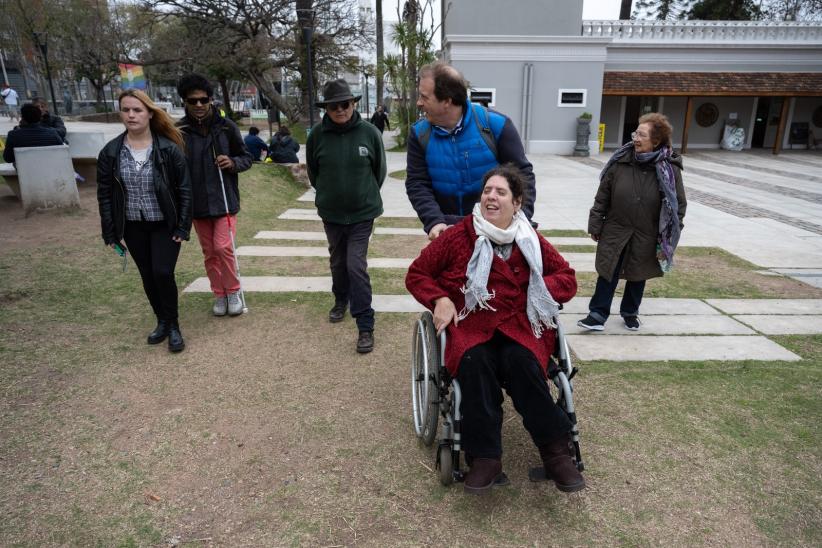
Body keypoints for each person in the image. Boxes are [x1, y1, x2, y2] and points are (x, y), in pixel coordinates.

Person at [405, 165, 584, 494]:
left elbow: (568, 278)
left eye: (500, 192)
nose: (491, 196)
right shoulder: (460, 236)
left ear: (516, 203)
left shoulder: (531, 239)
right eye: (487, 190)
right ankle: (485, 457)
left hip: (520, 325)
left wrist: (538, 290)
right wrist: (440, 299)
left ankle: (557, 452)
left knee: (524, 365)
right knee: (474, 364)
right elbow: (417, 274)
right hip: (473, 325)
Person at [96, 89, 192, 352]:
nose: (131, 115)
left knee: (163, 272)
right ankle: (161, 321)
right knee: (148, 275)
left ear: (150, 113)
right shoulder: (111, 152)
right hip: (133, 225)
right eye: (126, 110)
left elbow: (185, 190)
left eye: (137, 110)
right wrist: (110, 232)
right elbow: (105, 194)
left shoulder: (169, 150)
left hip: (164, 223)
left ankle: (173, 325)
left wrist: (183, 226)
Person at [577, 112, 687, 332]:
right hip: (616, 227)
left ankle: (630, 313)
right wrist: (595, 223)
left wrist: (670, 233)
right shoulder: (620, 162)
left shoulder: (670, 169)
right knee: (608, 271)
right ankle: (597, 314)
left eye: (642, 135)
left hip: (648, 231)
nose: (635, 138)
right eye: (636, 133)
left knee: (639, 274)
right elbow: (602, 197)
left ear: (656, 141)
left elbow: (678, 205)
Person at [406, 61, 536, 241]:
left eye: (425, 97)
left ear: (447, 101)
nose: (419, 102)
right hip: (447, 231)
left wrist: (522, 219)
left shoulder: (496, 125)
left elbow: (522, 176)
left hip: (495, 230)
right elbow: (417, 183)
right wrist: (433, 221)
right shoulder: (419, 134)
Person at [306, 79, 386, 354]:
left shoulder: (370, 133)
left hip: (363, 213)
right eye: (333, 106)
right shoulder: (316, 135)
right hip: (331, 213)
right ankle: (341, 299)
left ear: (354, 104)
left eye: (345, 104)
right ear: (326, 108)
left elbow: (380, 172)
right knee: (338, 261)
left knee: (355, 265)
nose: (340, 109)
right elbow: (313, 174)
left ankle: (365, 325)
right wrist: (331, 195)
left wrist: (361, 195)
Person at [176, 73, 253, 317]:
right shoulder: (179, 130)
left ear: (211, 99)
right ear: (185, 102)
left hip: (224, 199)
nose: (199, 105)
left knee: (223, 248)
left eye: (203, 100)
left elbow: (246, 158)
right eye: (192, 100)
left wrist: (232, 162)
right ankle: (218, 294)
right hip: (197, 203)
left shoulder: (225, 127)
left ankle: (233, 291)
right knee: (209, 252)